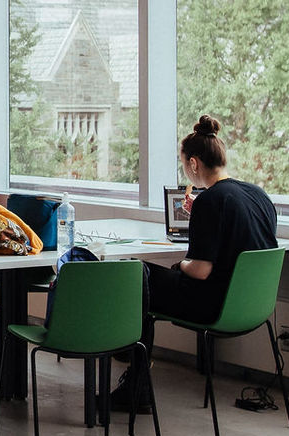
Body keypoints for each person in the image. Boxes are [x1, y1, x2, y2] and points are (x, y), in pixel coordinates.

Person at [112, 114, 278, 413]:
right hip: (252, 306)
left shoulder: (210, 202)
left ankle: (134, 384)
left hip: (211, 304)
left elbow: (200, 270)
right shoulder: (258, 195)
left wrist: (180, 265)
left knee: (137, 275)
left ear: (193, 163)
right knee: (148, 282)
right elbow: (235, 239)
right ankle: (133, 373)